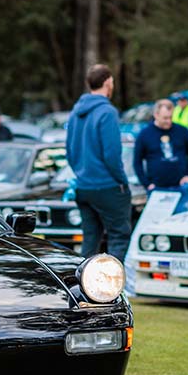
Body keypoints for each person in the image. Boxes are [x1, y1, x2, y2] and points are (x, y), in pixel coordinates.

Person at [67, 64, 130, 261]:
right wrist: (122, 181)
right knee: (119, 237)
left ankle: (85, 287)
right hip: (107, 186)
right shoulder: (107, 112)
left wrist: (80, 173)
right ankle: (111, 287)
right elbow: (112, 154)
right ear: (108, 82)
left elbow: (69, 151)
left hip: (83, 186)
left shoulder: (75, 113)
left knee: (90, 241)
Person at [134, 98, 188, 214]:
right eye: (165, 118)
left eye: (170, 117)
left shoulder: (182, 131)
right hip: (157, 189)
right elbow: (137, 162)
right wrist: (147, 184)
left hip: (181, 188)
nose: (168, 121)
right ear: (156, 115)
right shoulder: (145, 134)